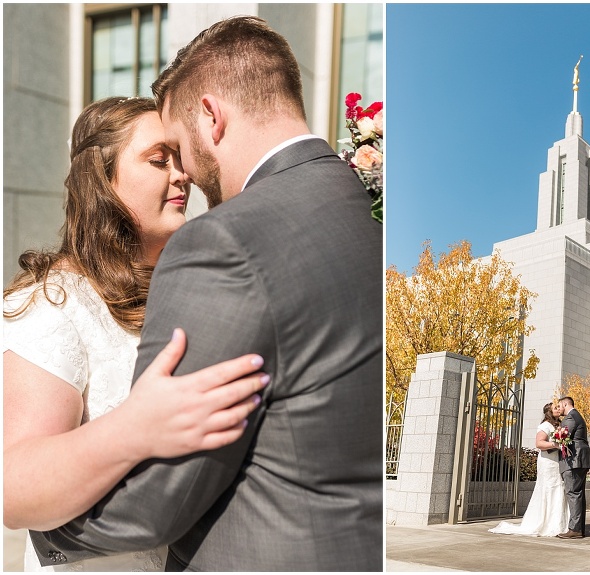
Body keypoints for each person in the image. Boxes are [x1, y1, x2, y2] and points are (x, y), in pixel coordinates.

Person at [31, 16, 382, 571]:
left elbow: (159, 500)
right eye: (159, 158)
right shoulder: (362, 205)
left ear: (212, 117)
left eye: (178, 149)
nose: (185, 175)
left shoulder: (223, 243)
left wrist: (46, 529)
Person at [3, 97, 270, 571]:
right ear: (102, 180)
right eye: (158, 160)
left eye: (180, 159)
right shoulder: (53, 303)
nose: (182, 175)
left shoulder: (185, 290)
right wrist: (135, 427)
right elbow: (16, 491)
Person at [489, 402, 570, 537]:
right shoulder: (545, 426)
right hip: (548, 462)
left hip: (557, 461)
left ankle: (558, 522)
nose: (558, 409)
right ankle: (544, 522)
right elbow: (539, 443)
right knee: (548, 488)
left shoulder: (558, 425)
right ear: (549, 412)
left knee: (558, 488)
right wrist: (556, 444)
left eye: (558, 407)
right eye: (555, 408)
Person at [557, 396, 590, 539]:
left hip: (574, 460)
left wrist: (556, 437)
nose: (559, 409)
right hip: (580, 459)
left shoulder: (571, 417)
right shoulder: (577, 415)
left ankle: (575, 529)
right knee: (578, 494)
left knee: (573, 493)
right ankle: (579, 528)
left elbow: (563, 436)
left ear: (565, 404)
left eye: (560, 406)